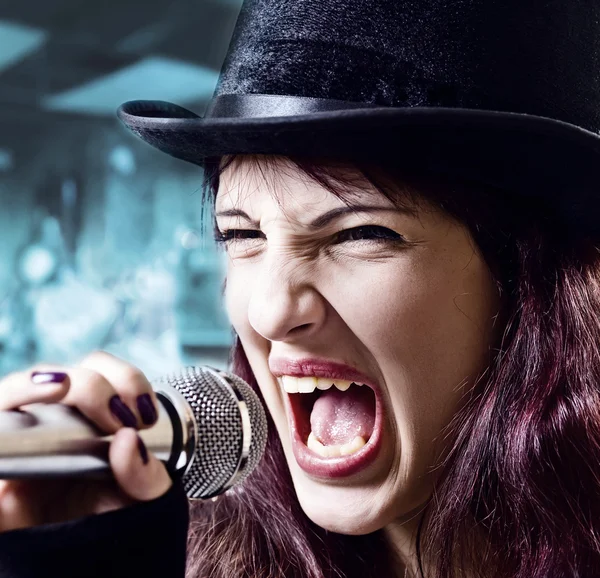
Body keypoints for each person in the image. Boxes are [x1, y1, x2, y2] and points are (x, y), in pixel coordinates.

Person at [2, 0, 600, 576]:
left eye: (360, 233)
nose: (268, 312)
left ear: (530, 285)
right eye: (242, 235)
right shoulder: (182, 557)